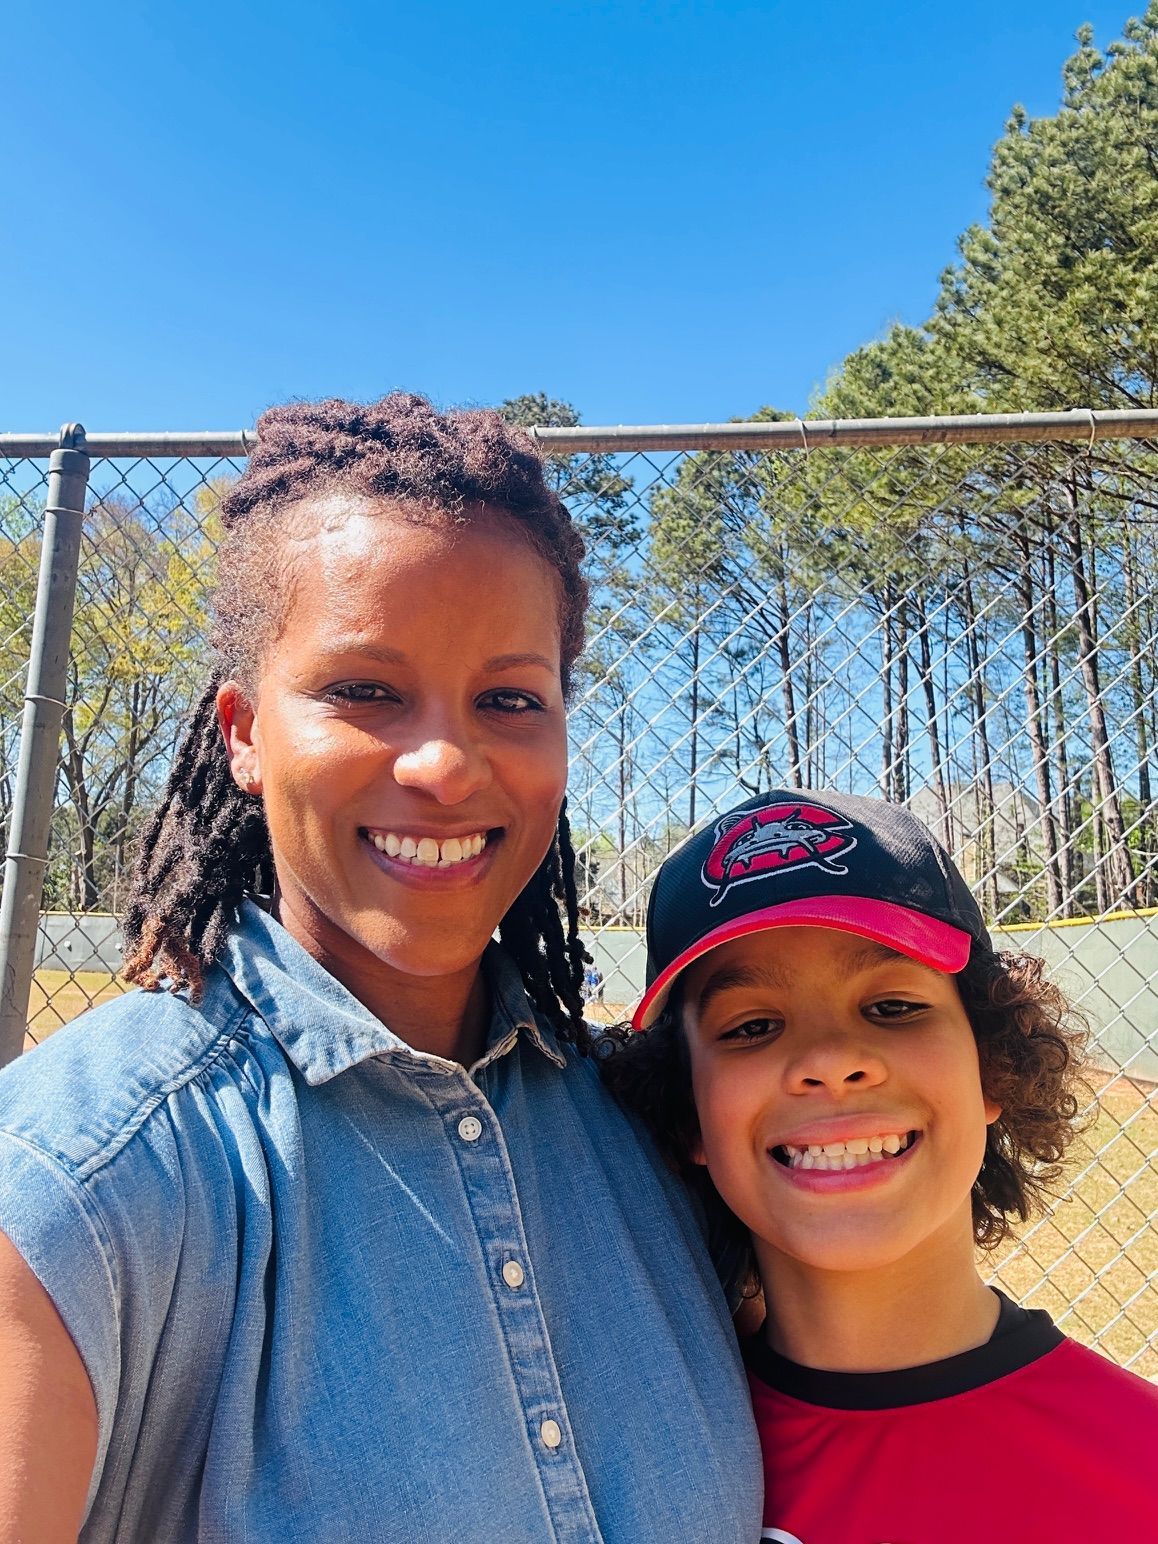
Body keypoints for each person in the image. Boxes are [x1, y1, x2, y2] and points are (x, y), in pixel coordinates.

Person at [0, 394, 761, 1543]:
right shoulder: (81, 1189)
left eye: (509, 698)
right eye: (365, 690)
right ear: (245, 733)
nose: (446, 764)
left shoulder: (651, 1135)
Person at [607, 788, 1158, 1543]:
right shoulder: (633, 1461)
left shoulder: (1136, 1468)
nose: (831, 1060)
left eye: (893, 1007)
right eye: (753, 1026)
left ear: (991, 1066)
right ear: (687, 1112)